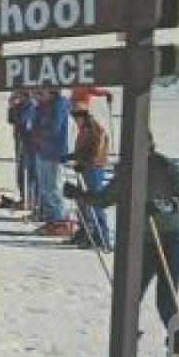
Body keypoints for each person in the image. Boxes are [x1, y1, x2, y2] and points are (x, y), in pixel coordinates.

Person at [64, 135, 179, 357]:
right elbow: (105, 198)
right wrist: (80, 194)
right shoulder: (127, 172)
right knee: (129, 298)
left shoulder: (167, 168)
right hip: (144, 240)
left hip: (169, 238)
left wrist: (166, 206)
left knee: (166, 301)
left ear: (150, 146)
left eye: (140, 147)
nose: (134, 153)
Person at [66, 101, 111, 250]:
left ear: (84, 115)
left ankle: (101, 236)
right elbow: (83, 150)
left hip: (94, 170)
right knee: (82, 201)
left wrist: (84, 163)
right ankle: (85, 232)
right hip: (85, 168)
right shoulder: (84, 129)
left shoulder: (95, 129)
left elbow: (97, 152)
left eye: (77, 115)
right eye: (73, 115)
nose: (75, 119)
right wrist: (71, 157)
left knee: (94, 201)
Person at [33, 90, 74, 236]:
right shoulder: (40, 106)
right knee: (45, 188)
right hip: (42, 151)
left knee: (54, 188)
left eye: (39, 93)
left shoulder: (59, 105)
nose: (36, 97)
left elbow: (54, 128)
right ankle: (52, 220)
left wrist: (39, 132)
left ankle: (61, 221)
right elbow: (33, 125)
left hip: (55, 152)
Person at [7, 90, 38, 209]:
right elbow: (11, 120)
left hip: (29, 142)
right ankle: (25, 197)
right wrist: (12, 107)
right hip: (20, 139)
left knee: (29, 171)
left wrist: (15, 110)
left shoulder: (31, 105)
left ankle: (31, 199)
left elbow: (23, 121)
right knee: (21, 170)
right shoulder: (20, 105)